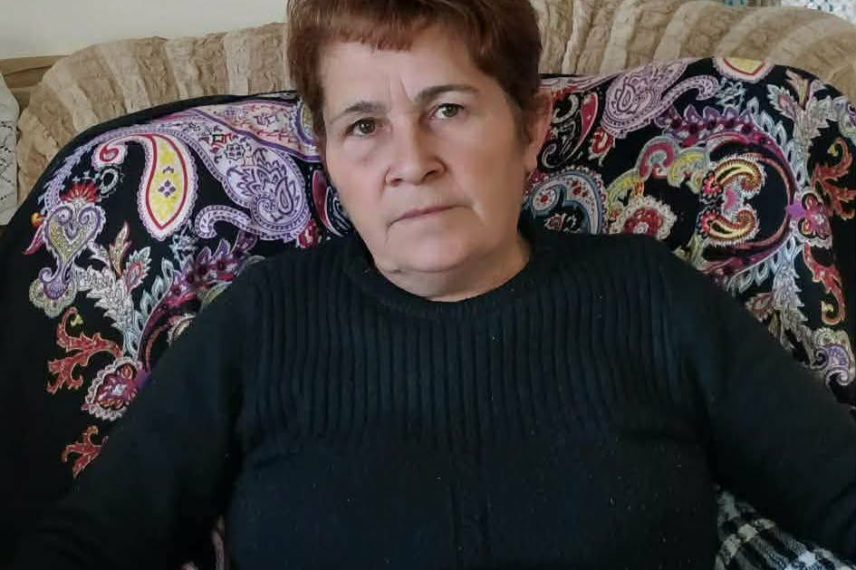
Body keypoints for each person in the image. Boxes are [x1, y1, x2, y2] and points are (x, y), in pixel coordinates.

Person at [12, 0, 856, 568]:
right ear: (328, 154)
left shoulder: (653, 301)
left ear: (530, 128)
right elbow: (93, 542)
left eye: (448, 109)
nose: (410, 163)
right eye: (364, 126)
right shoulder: (263, 322)